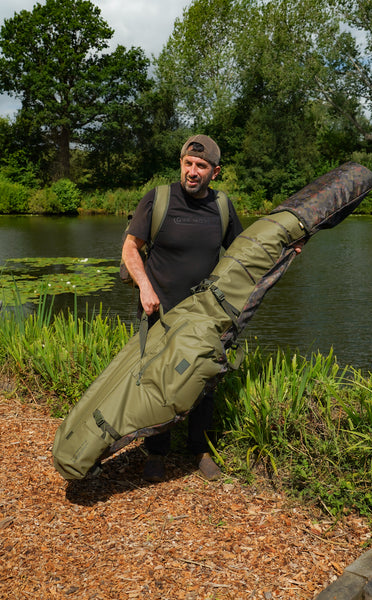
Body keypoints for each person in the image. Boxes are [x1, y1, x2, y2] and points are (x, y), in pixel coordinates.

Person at [122, 134, 244, 483]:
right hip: (159, 310)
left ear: (215, 172)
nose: (192, 171)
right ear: (180, 163)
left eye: (201, 166)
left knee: (204, 381)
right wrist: (145, 287)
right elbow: (130, 248)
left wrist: (286, 250)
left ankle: (199, 450)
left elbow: (243, 254)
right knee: (157, 381)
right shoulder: (158, 199)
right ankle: (156, 452)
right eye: (188, 163)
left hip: (205, 315)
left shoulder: (222, 206)